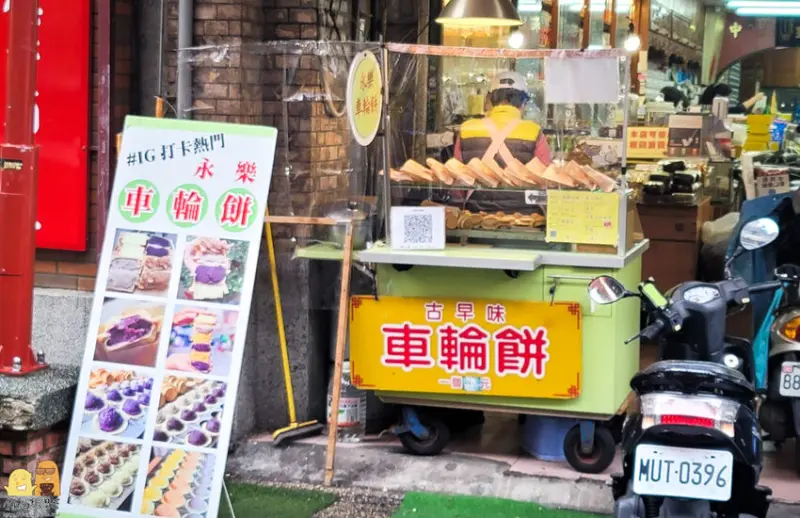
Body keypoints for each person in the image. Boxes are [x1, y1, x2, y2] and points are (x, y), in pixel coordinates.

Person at [454, 71, 552, 167]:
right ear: (523, 102)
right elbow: (545, 174)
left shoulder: (466, 129)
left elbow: (457, 172)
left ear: (490, 99)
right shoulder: (533, 132)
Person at [699, 84, 765, 114]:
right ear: (719, 97)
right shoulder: (712, 108)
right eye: (728, 97)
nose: (729, 100)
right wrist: (756, 98)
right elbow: (739, 109)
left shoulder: (708, 107)